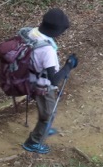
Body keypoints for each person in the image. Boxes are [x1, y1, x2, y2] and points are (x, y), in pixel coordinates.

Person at [20, 8, 77, 154]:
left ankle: (43, 129)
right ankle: (33, 142)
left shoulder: (32, 33)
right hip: (42, 86)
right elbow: (54, 80)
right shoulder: (47, 51)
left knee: (46, 111)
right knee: (49, 114)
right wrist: (69, 65)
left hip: (29, 78)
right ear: (56, 31)